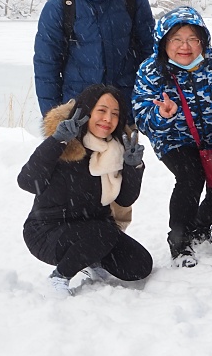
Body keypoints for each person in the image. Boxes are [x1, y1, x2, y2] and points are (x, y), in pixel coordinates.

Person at [33, 0, 154, 231]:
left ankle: (113, 238)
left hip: (121, 109)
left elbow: (148, 56)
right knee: (77, 179)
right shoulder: (60, 5)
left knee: (118, 175)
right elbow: (47, 65)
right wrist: (55, 120)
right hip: (78, 111)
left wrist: (143, 104)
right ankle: (80, 239)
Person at [18, 84, 152, 297]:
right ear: (85, 110)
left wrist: (133, 167)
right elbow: (27, 181)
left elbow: (125, 199)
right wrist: (57, 141)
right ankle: (59, 277)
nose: (108, 119)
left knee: (140, 265)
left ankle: (88, 257)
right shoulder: (66, 145)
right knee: (104, 232)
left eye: (115, 114)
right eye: (101, 110)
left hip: (94, 230)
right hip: (47, 232)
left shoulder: (116, 150)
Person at [131, 6, 212, 266]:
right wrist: (163, 116)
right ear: (163, 42)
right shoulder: (151, 71)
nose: (185, 46)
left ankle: (200, 227)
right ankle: (179, 239)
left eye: (193, 39)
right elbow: (141, 116)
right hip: (173, 138)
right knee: (190, 176)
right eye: (176, 39)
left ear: (203, 40)